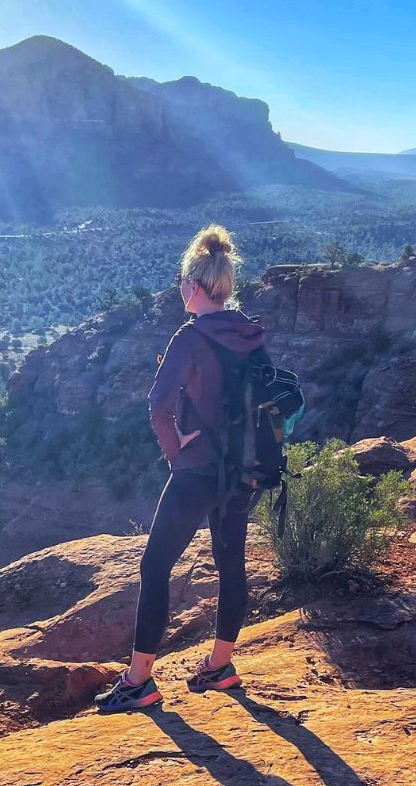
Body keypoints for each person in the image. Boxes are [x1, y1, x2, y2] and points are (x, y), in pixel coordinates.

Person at [95, 224, 268, 713]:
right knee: (230, 563)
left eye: (180, 284)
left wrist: (176, 450)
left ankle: (139, 681)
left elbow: (158, 407)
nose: (179, 292)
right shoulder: (249, 332)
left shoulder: (190, 338)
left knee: (155, 567)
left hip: (198, 470)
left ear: (194, 286)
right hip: (243, 466)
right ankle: (219, 667)